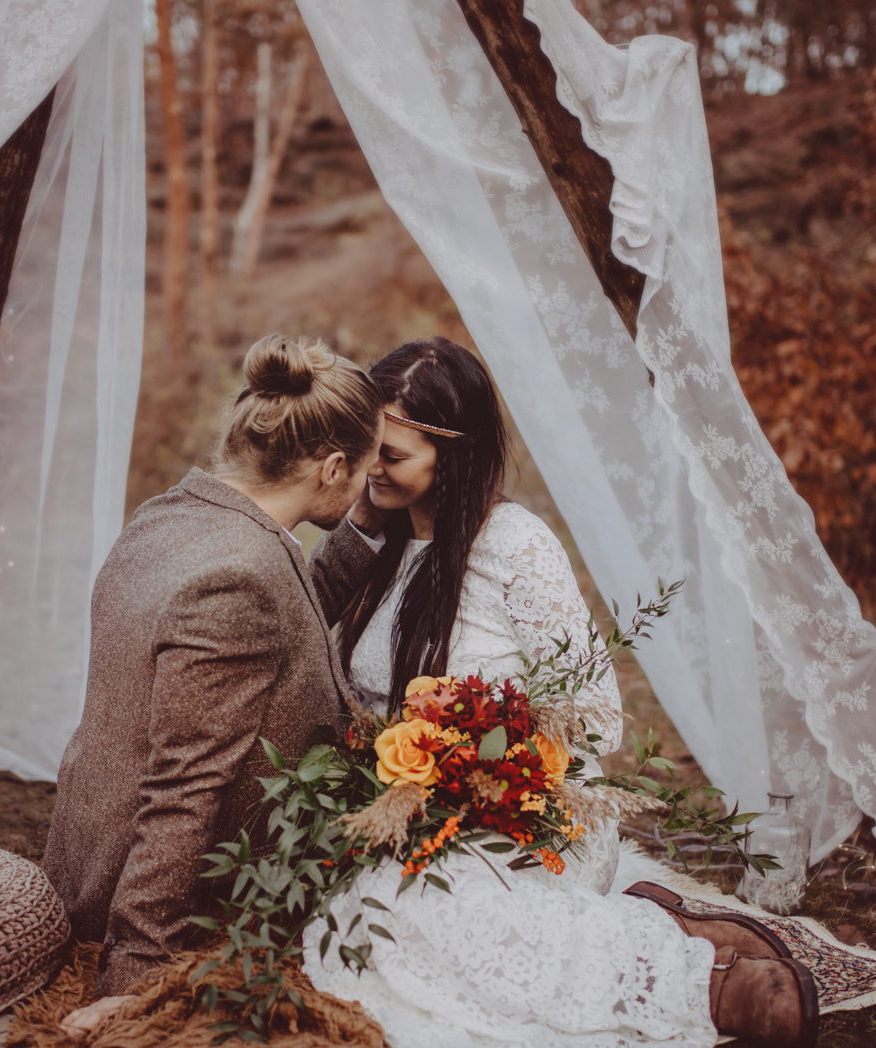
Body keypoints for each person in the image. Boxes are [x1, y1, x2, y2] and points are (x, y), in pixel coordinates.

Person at [304, 336, 819, 1048]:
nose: (373, 470)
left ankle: (698, 977)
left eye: (393, 456)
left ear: (450, 455)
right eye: (368, 450)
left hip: (530, 814)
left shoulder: (514, 546)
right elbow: (314, 637)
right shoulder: (374, 546)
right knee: (348, 916)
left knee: (423, 906)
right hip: (403, 810)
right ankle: (645, 921)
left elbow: (597, 718)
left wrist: (483, 767)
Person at [43, 334, 386, 1032]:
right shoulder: (241, 580)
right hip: (166, 898)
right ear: (331, 467)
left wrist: (365, 527)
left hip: (85, 854)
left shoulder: (172, 517)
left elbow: (283, 615)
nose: (367, 487)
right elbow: (184, 788)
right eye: (365, 474)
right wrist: (136, 979)